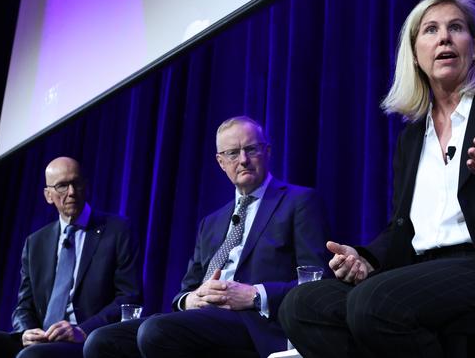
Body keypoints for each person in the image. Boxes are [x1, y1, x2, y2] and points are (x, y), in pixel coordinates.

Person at [278, 0, 475, 358]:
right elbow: (403, 227)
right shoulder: (411, 137)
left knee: (375, 301)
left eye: (456, 28)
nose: (444, 38)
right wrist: (367, 258)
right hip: (419, 272)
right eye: (431, 30)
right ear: (415, 54)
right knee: (302, 305)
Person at [84, 116, 331, 357]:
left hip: (257, 322)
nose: (243, 160)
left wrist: (255, 295)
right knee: (102, 340)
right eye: (233, 153)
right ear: (221, 162)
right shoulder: (211, 222)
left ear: (267, 151)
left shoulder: (299, 202)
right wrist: (190, 299)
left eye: (251, 149)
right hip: (203, 315)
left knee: (156, 332)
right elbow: (184, 291)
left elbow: (317, 283)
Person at [0, 157, 142, 358]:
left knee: (32, 357)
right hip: (43, 337)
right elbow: (24, 306)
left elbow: (129, 297)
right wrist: (26, 331)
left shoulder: (117, 231)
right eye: (62, 186)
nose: (71, 192)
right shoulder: (35, 242)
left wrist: (83, 330)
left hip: (85, 339)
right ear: (48, 195)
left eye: (76, 183)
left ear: (85, 186)